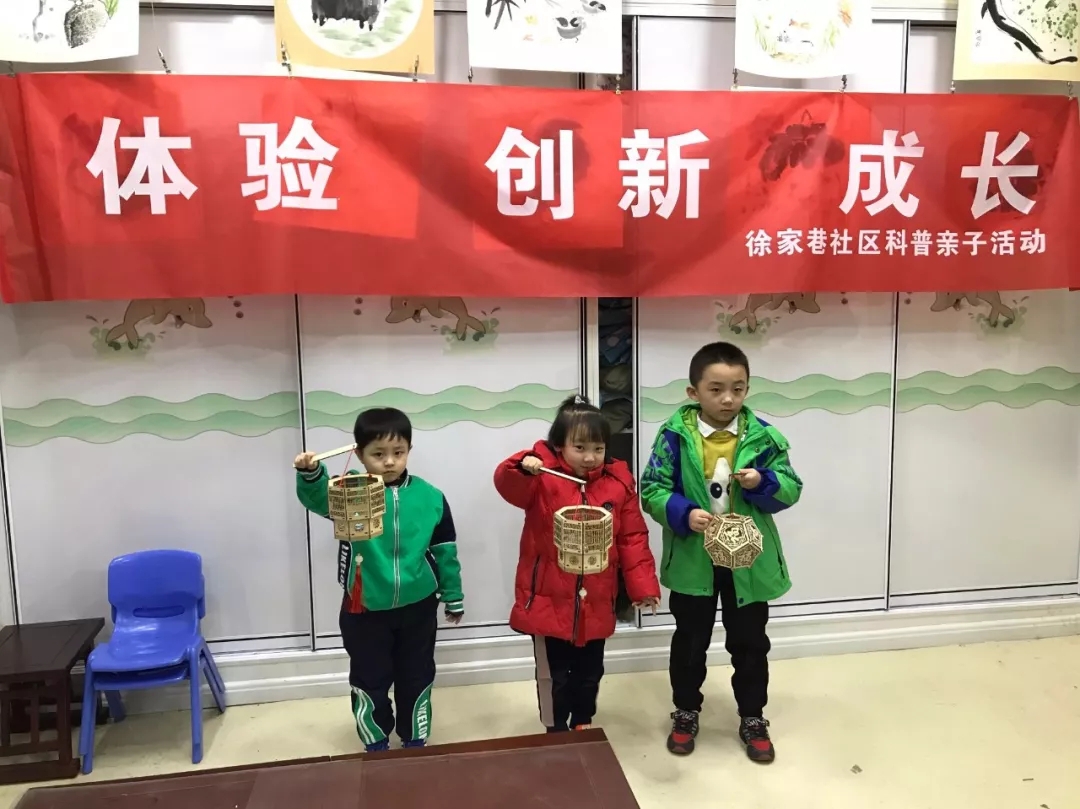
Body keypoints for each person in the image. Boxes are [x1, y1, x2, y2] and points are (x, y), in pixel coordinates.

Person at [641, 342, 801, 763]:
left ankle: (752, 716)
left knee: (750, 643)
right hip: (694, 559)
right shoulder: (674, 436)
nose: (728, 399)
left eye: (738, 388)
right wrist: (683, 512)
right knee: (690, 642)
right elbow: (652, 488)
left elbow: (791, 488)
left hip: (748, 560)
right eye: (716, 389)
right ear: (693, 392)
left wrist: (763, 482)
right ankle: (685, 710)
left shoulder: (764, 436)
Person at [294, 407, 464, 752]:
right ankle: (375, 741)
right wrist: (311, 473)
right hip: (365, 608)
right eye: (378, 454)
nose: (389, 462)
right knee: (370, 678)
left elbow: (445, 549)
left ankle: (414, 737)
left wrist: (453, 595)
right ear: (359, 454)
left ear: (409, 450)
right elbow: (317, 497)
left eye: (398, 452)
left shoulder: (430, 496)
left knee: (416, 674)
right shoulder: (350, 491)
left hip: (418, 607)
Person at [494, 395, 660, 733]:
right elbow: (506, 483)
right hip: (547, 599)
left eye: (598, 448)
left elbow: (632, 538)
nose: (589, 457)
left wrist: (643, 587)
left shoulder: (618, 482)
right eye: (580, 447)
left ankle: (583, 721)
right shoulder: (541, 477)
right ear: (559, 445)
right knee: (554, 676)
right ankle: (555, 729)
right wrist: (523, 464)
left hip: (597, 598)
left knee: (590, 673)